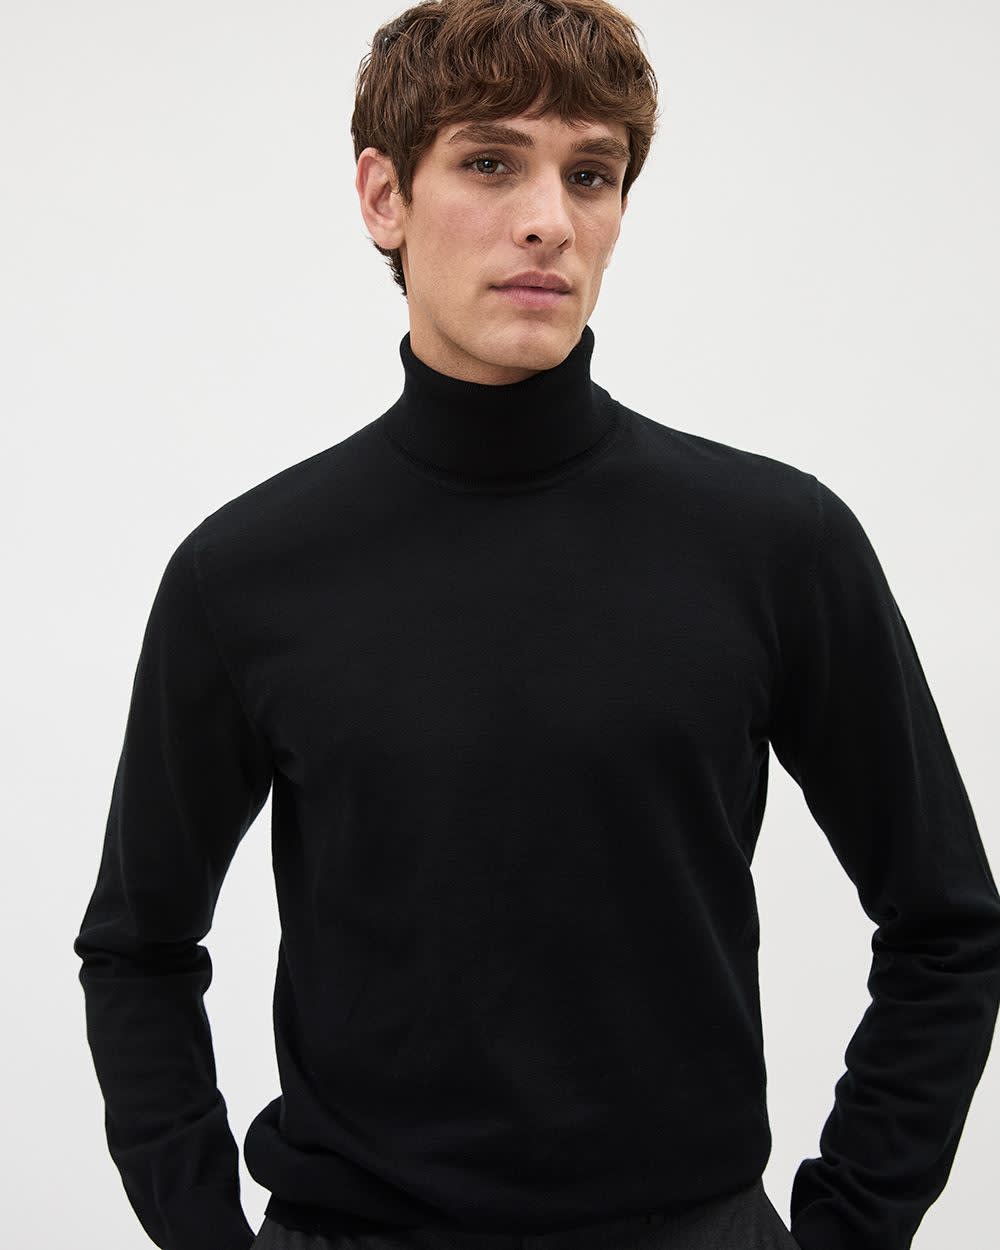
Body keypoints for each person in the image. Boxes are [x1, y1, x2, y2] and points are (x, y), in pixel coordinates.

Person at [73, 2, 1000, 1249]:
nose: (548, 219)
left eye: (591, 174)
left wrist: (849, 1226)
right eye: (491, 161)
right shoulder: (245, 574)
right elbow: (138, 945)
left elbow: (945, 922)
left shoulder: (776, 544)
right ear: (384, 197)